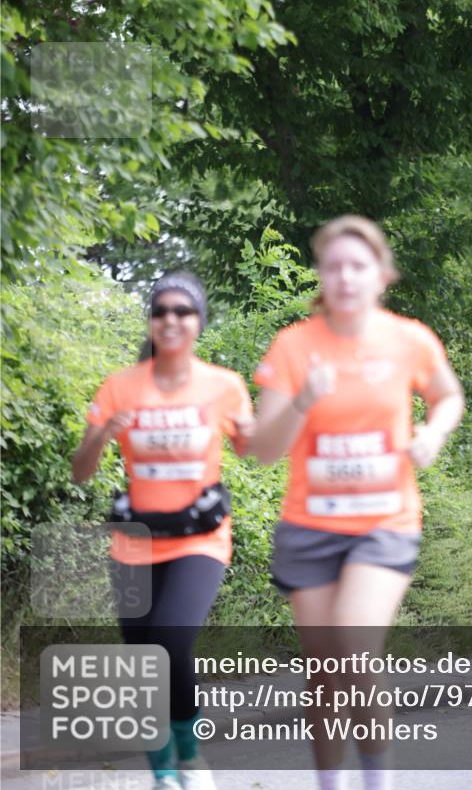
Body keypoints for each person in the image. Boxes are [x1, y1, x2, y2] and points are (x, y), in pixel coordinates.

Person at [250, 216, 465, 790]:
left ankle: (377, 780)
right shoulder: (294, 347)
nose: (345, 277)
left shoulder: (409, 339)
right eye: (334, 266)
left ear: (381, 275)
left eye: (358, 266)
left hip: (384, 523)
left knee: (353, 647)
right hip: (309, 527)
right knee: (323, 674)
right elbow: (264, 450)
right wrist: (302, 401)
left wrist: (435, 433)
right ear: (321, 276)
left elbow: (448, 397)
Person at [72, 272, 253, 790]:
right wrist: (103, 434)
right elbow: (79, 470)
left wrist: (262, 428)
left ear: (198, 322)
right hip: (136, 541)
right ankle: (164, 775)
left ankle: (189, 753)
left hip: (200, 538)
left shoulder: (223, 385)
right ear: (151, 322)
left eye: (183, 311)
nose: (171, 319)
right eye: (161, 311)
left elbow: (251, 450)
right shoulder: (119, 386)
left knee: (170, 641)